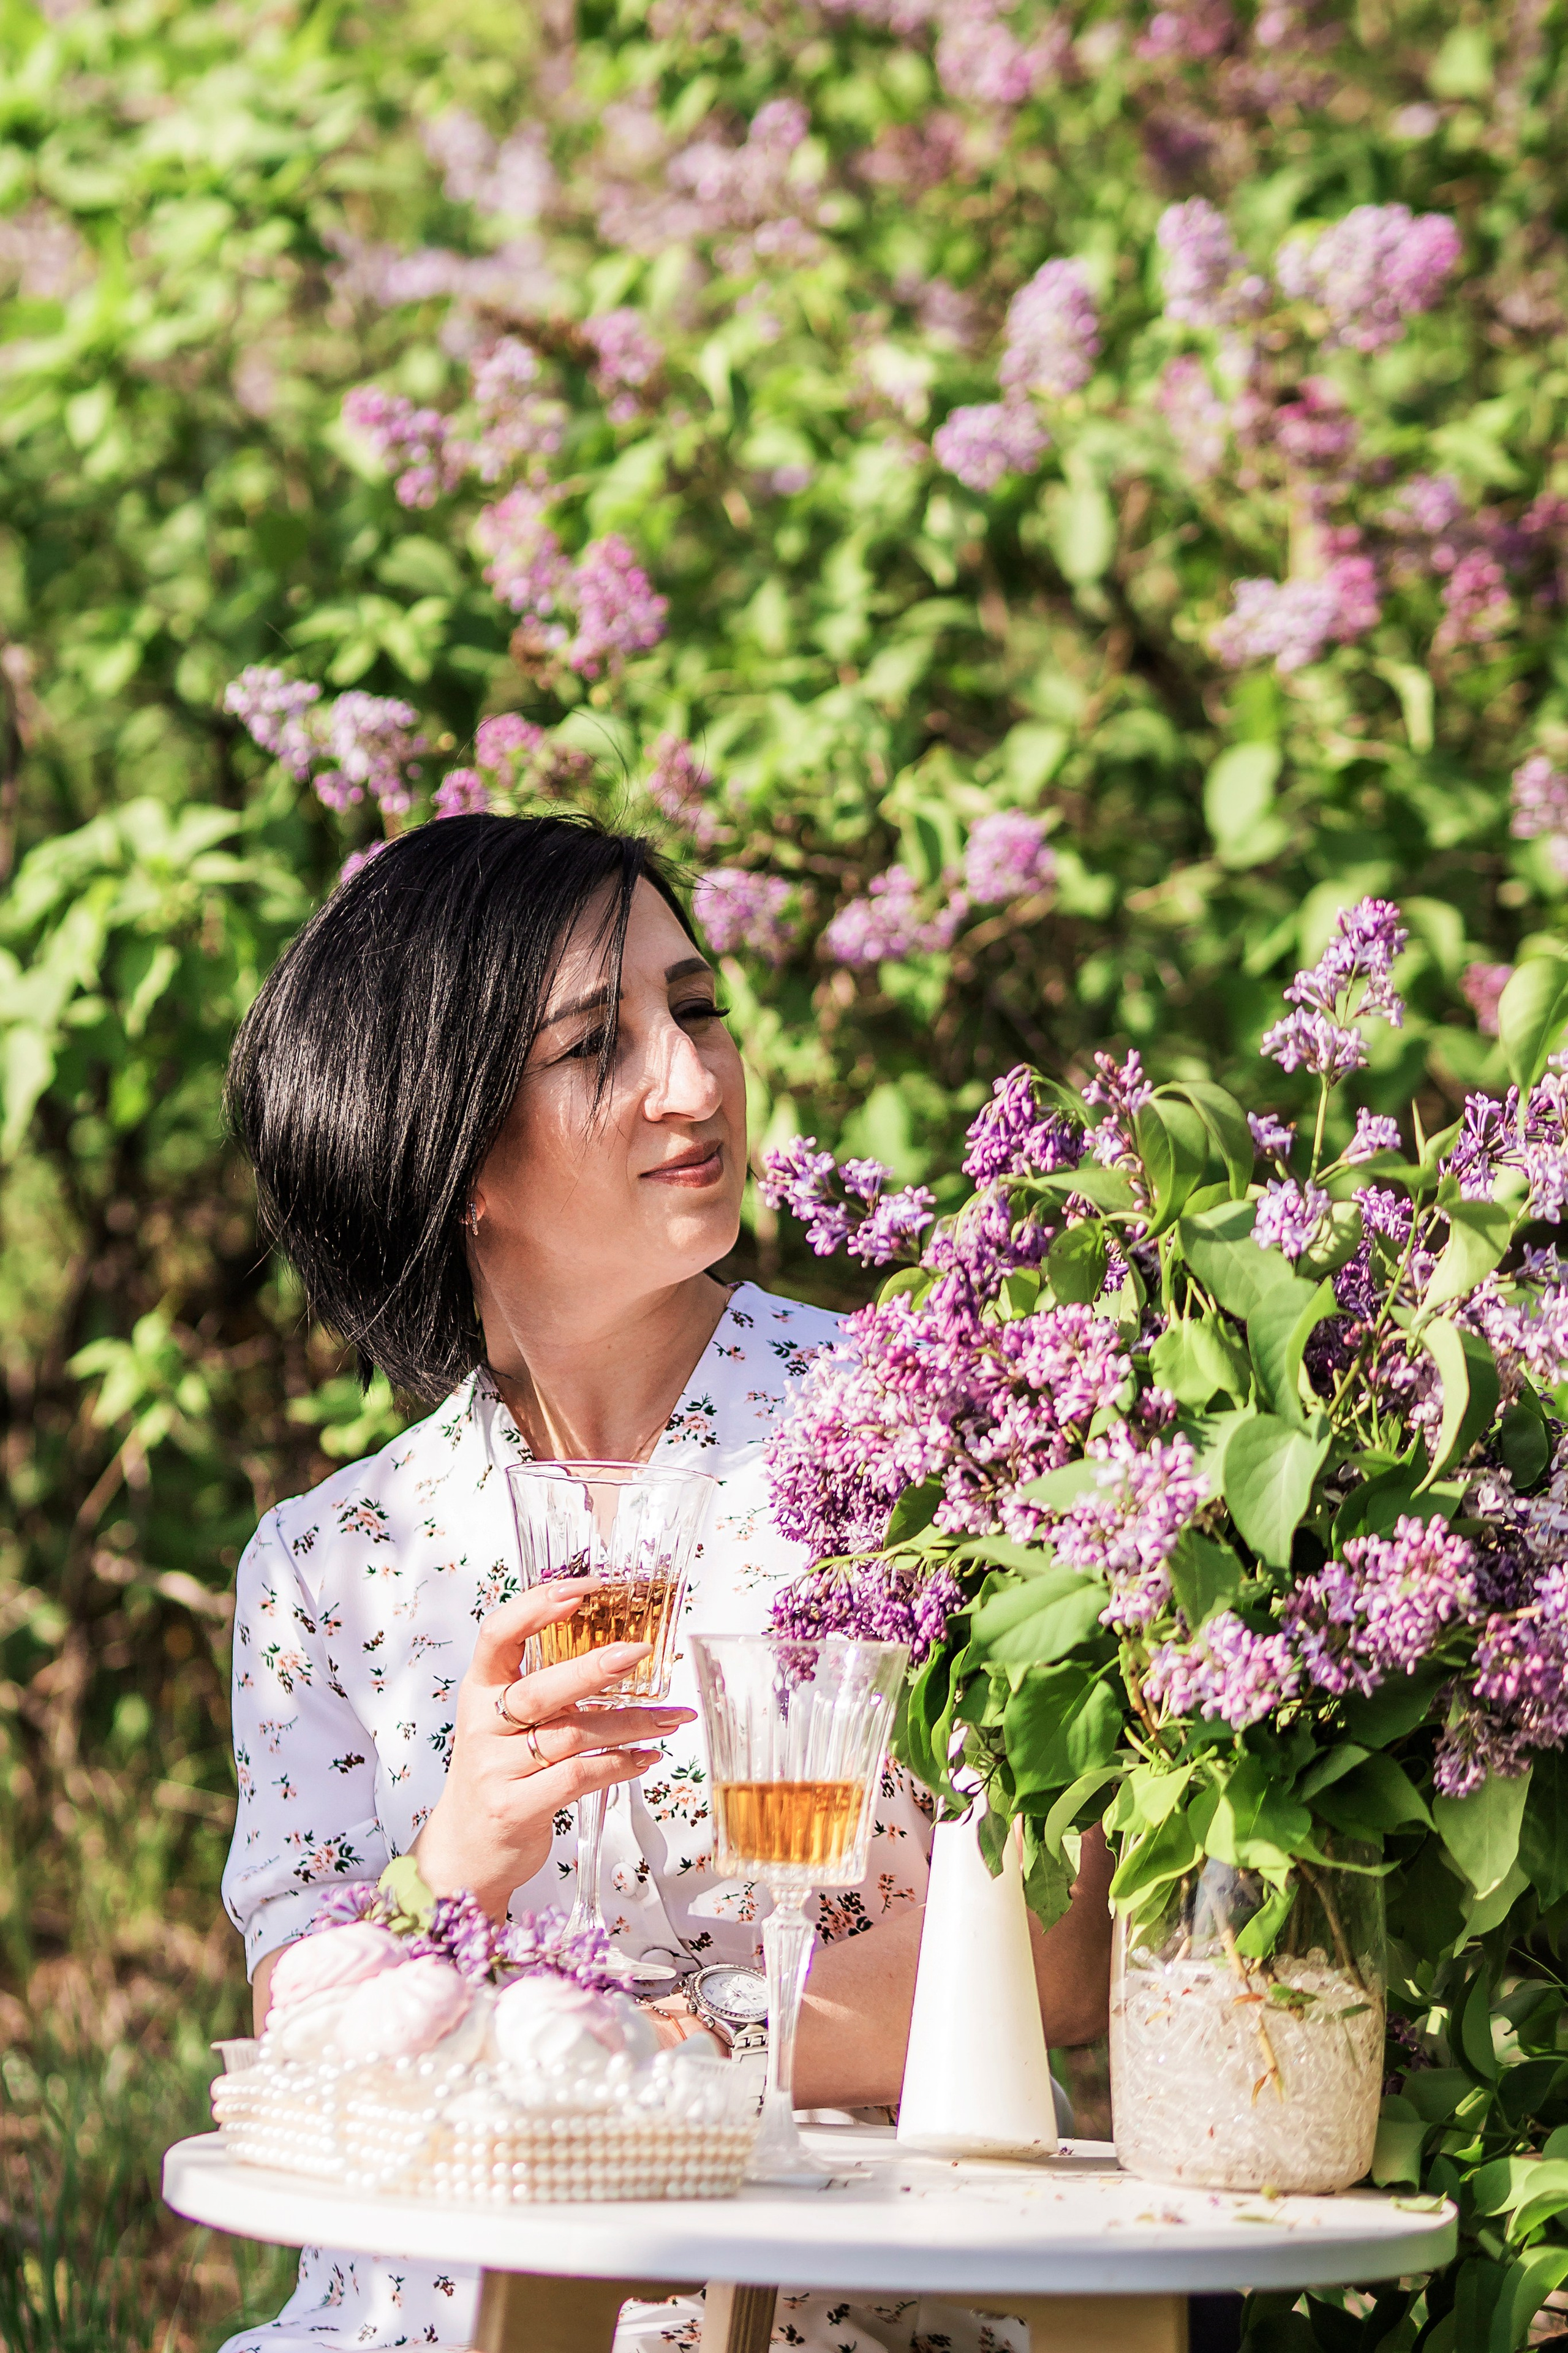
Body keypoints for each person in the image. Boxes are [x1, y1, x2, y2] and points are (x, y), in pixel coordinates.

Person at [217, 810, 1114, 2353]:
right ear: (452, 1151)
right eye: (596, 1047)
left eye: (695, 1011)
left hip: (828, 2316)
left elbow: (1061, 1945)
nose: (692, 1082)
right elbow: (302, 2029)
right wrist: (461, 1849)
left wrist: (693, 2048)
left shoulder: (919, 1432)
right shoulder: (331, 1564)